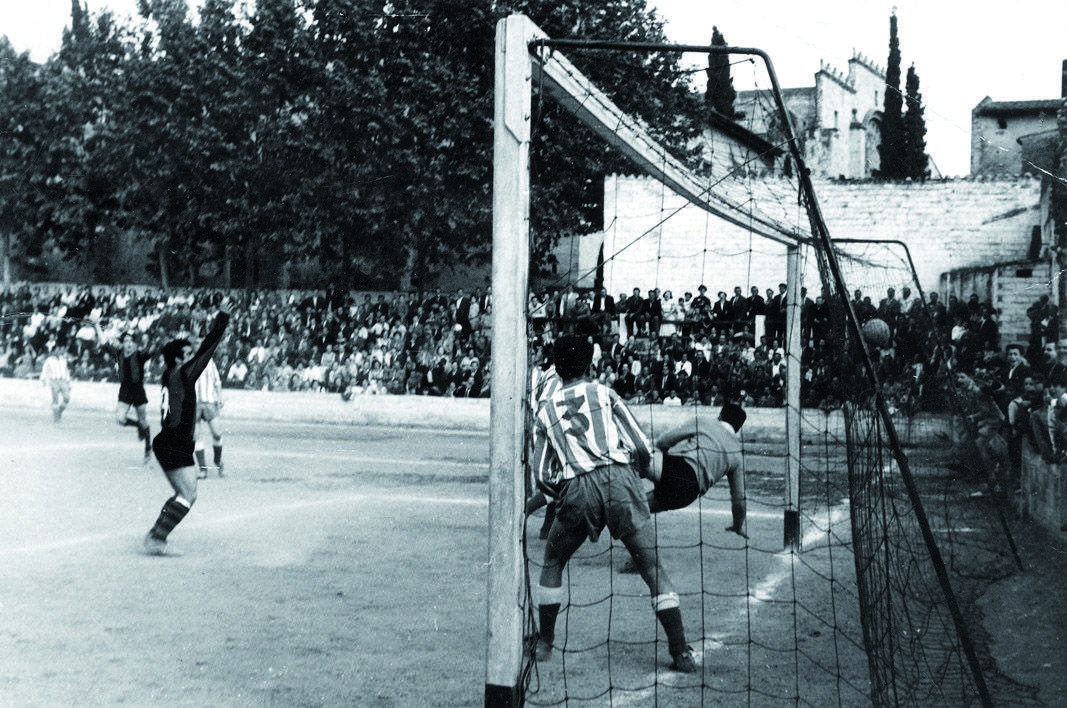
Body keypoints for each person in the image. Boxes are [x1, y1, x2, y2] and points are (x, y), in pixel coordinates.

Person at [529, 334, 697, 673]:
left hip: (577, 487)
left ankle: (545, 643)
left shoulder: (546, 411)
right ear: (590, 362)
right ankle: (680, 652)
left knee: (553, 561)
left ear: (556, 369)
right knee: (652, 568)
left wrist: (565, 493)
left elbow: (542, 475)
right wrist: (629, 475)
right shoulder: (605, 394)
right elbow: (642, 446)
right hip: (619, 480)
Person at [144, 311, 230, 556]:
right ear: (180, 358)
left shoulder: (169, 374)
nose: (192, 357)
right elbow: (206, 351)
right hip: (175, 442)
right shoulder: (181, 374)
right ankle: (156, 538)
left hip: (168, 441)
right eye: (187, 354)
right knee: (188, 495)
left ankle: (156, 536)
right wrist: (221, 322)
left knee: (183, 494)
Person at [95, 324, 154, 462]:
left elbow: (152, 351)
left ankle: (147, 447)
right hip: (125, 390)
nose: (127, 343)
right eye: (125, 341)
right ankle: (139, 427)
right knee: (120, 419)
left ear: (134, 343)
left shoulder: (140, 355)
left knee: (143, 420)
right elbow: (104, 342)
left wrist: (149, 341)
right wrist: (97, 325)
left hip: (138, 389)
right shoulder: (118, 353)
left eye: (130, 341)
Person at [194, 343, 225, 479]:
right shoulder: (188, 362)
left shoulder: (210, 362)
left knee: (217, 434)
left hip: (209, 402)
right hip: (193, 404)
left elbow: (217, 382)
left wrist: (220, 397)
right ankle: (203, 469)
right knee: (196, 437)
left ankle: (218, 461)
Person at [39, 338, 72, 423]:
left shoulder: (63, 359)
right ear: (53, 351)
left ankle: (59, 412)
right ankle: (56, 418)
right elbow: (44, 370)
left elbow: (66, 371)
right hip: (54, 381)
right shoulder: (49, 360)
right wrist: (43, 380)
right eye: (57, 349)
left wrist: (69, 383)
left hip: (63, 381)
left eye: (59, 349)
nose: (58, 351)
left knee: (67, 398)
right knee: (55, 400)